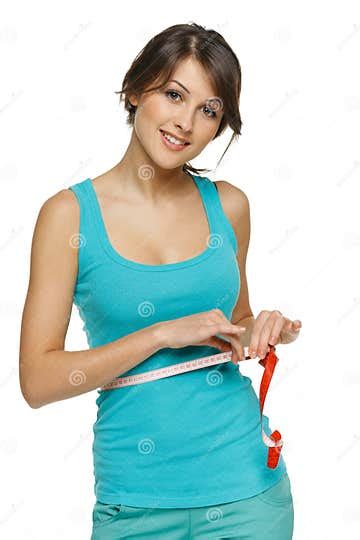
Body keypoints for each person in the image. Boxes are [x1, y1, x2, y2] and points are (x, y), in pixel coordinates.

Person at [19, 22, 302, 539]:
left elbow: (233, 329)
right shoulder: (68, 217)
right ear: (135, 88)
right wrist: (160, 333)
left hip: (248, 494)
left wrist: (261, 328)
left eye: (209, 110)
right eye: (174, 94)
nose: (186, 123)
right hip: (136, 504)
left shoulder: (229, 207)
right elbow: (37, 383)